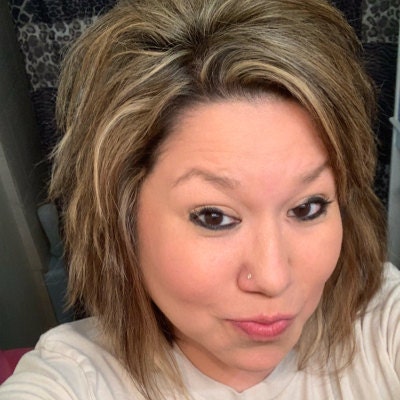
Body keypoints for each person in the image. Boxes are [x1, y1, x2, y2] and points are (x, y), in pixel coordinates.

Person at [1, 0, 399, 398]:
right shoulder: (73, 379)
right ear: (124, 217)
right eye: (214, 216)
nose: (273, 278)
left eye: (307, 207)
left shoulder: (383, 323)